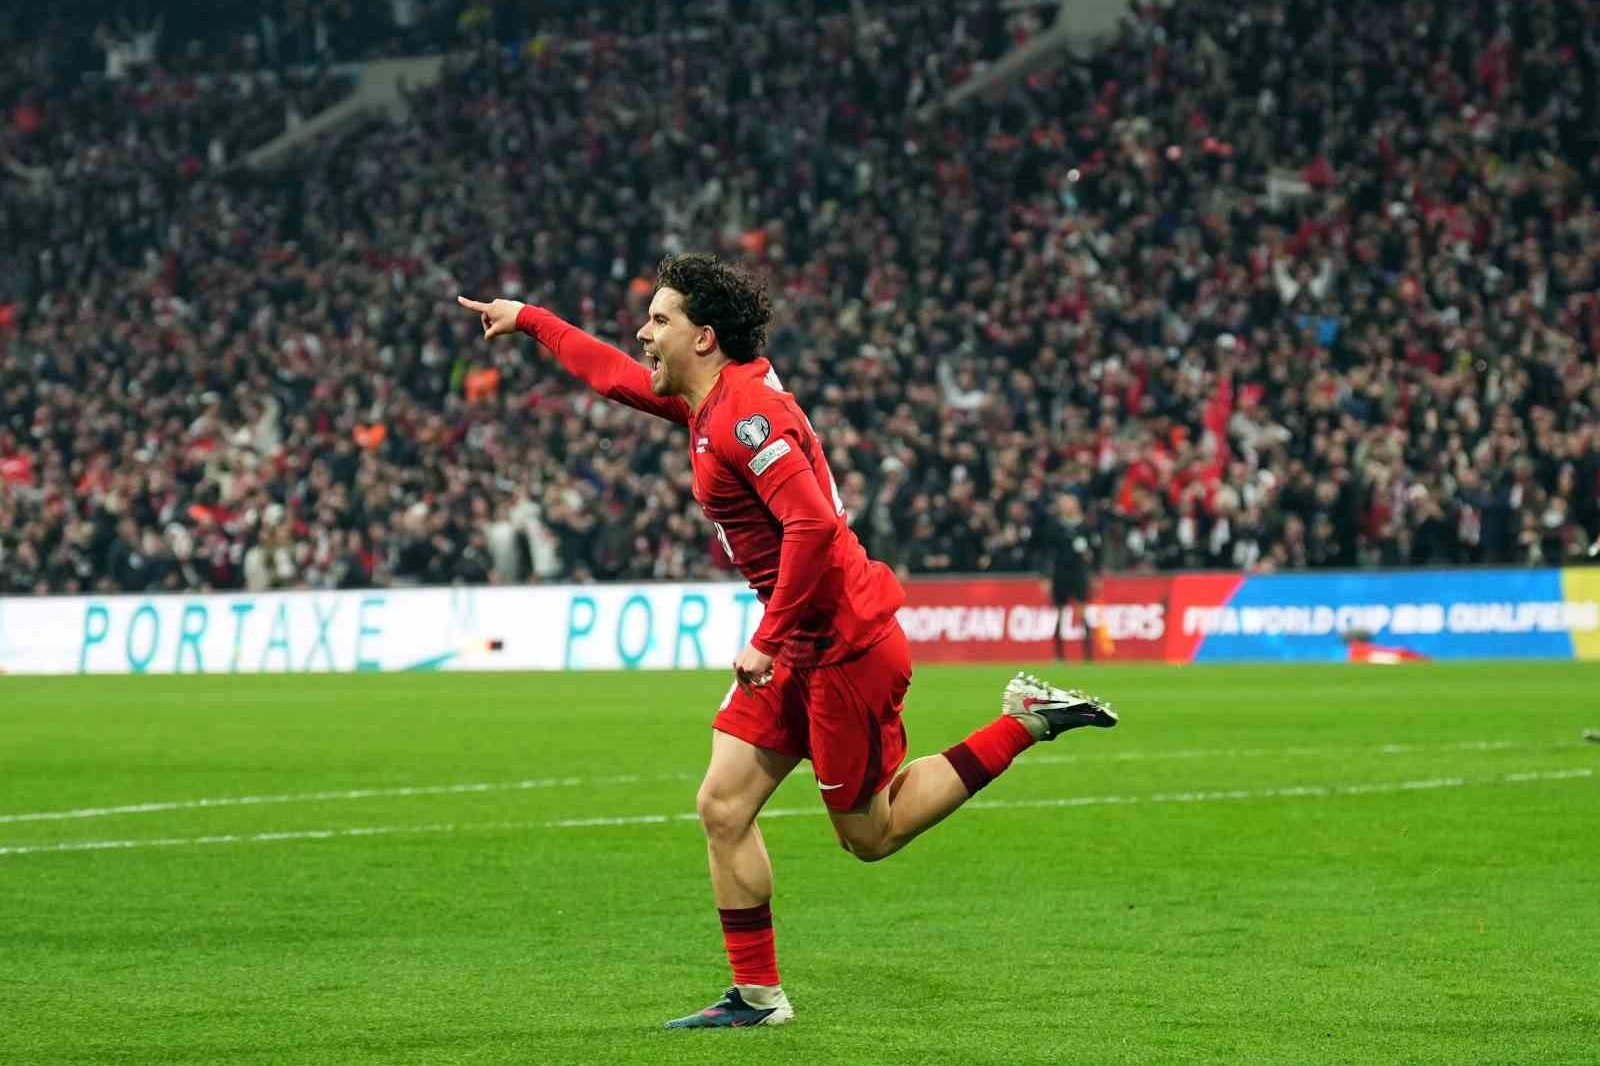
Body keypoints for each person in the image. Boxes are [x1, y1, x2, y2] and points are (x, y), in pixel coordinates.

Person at [457, 253, 1118, 1029]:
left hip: (843, 643)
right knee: (722, 805)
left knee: (870, 834)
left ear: (704, 337)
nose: (643, 333)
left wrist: (768, 639)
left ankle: (1025, 721)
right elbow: (610, 377)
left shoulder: (746, 415)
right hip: (795, 640)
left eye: (660, 320)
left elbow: (812, 525)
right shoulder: (710, 404)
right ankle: (757, 997)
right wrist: (528, 318)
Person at [1038, 493, 1101, 662]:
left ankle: (1088, 654)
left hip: (1079, 573)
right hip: (1060, 574)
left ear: (1076, 505)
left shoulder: (1085, 526)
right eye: (1064, 503)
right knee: (1059, 613)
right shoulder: (1054, 527)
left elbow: (1095, 553)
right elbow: (1047, 553)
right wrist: (1046, 577)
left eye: (1070, 503)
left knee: (1082, 611)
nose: (1067, 506)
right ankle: (1059, 654)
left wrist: (1095, 574)